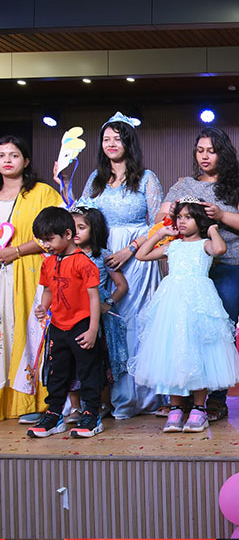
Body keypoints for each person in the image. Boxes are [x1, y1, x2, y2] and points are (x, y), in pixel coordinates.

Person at [60, 112, 163, 419]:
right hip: (102, 256)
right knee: (105, 323)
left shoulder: (147, 178)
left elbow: (158, 224)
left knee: (134, 324)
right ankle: (105, 398)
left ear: (129, 142)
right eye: (106, 139)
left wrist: (131, 249)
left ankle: (140, 397)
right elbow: (78, 215)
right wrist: (65, 184)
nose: (111, 144)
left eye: (118, 138)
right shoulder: (96, 178)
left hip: (138, 258)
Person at [156, 127, 239, 421]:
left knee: (218, 331)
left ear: (223, 153)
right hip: (191, 270)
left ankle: (215, 399)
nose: (205, 156)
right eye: (200, 150)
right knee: (184, 331)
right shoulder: (183, 185)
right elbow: (160, 218)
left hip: (229, 264)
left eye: (211, 151)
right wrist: (172, 215)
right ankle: (181, 398)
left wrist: (221, 215)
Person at [130, 200, 239, 433]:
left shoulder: (204, 244)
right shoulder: (173, 246)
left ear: (199, 221)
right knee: (173, 350)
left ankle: (199, 409)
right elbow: (141, 255)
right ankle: (175, 408)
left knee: (200, 350)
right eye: (179, 217)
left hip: (199, 302)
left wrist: (213, 229)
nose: (182, 221)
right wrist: (160, 233)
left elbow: (219, 250)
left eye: (188, 217)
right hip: (172, 303)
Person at [0, 136, 64, 421]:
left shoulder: (42, 192)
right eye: (2, 155)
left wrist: (15, 251)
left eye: (14, 155)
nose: (7, 160)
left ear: (26, 161)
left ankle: (32, 403)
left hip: (29, 273)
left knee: (29, 333)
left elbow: (56, 230)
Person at [26, 207, 102, 439]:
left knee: (88, 371)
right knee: (57, 373)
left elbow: (94, 298)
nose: (46, 245)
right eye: (43, 240)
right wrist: (43, 307)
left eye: (49, 239)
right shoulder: (48, 263)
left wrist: (92, 329)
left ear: (68, 234)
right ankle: (54, 414)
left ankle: (91, 414)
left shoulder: (84, 263)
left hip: (81, 326)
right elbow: (48, 290)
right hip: (57, 327)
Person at [65, 204, 128, 423]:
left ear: (95, 229)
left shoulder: (102, 256)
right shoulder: (65, 256)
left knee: (99, 359)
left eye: (81, 227)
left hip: (96, 317)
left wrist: (107, 304)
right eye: (72, 227)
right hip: (71, 314)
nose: (75, 232)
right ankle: (75, 407)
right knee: (70, 359)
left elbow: (121, 285)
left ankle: (103, 402)